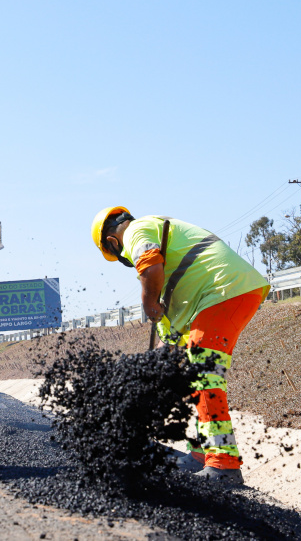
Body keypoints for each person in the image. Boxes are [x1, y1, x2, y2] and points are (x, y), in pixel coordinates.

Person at [91, 207, 270, 484]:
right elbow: (167, 323)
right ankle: (200, 454)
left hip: (223, 291)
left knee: (203, 376)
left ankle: (223, 464)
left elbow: (150, 267)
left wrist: (148, 303)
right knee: (192, 376)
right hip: (219, 295)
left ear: (113, 243)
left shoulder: (137, 231)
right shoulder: (157, 235)